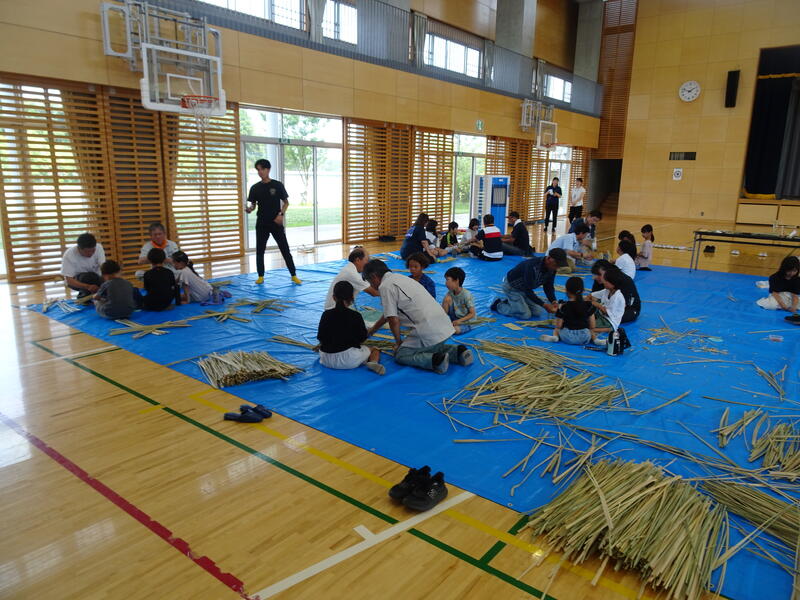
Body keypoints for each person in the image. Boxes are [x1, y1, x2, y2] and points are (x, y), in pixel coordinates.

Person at [362, 260, 473, 374]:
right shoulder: (401, 277)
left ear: (374, 277)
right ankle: (458, 352)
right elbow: (387, 314)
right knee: (431, 346)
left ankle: (436, 360)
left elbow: (392, 319)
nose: (372, 286)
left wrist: (399, 342)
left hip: (428, 330)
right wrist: (372, 330)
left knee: (401, 354)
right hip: (445, 324)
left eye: (370, 282)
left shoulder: (385, 286)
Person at [246, 158, 302, 286]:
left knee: (285, 249)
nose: (260, 172)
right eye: (258, 170)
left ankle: (293, 275)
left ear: (268, 169)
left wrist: (281, 214)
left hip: (276, 222)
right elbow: (253, 205)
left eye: (262, 169)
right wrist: (250, 209)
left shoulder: (277, 185)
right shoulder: (255, 188)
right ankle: (260, 276)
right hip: (262, 223)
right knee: (260, 250)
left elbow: (286, 203)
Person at [317, 280, 385, 376]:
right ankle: (373, 362)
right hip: (348, 360)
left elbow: (320, 337)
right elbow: (362, 338)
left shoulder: (326, 314)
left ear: (334, 297)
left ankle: (363, 360)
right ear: (352, 298)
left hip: (325, 359)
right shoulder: (355, 316)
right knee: (374, 349)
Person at [490, 248, 568, 319]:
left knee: (537, 312)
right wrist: (544, 305)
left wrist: (553, 301)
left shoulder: (552, 268)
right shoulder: (532, 267)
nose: (557, 268)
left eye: (558, 266)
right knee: (524, 315)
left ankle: (513, 302)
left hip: (524, 289)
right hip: (512, 287)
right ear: (548, 258)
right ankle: (498, 304)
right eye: (556, 264)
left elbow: (548, 286)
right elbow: (528, 291)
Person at [540, 276, 597, 345]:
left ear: (567, 290)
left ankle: (555, 337)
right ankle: (596, 340)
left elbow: (559, 325)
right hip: (584, 337)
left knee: (557, 329)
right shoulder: (589, 305)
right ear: (582, 291)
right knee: (591, 331)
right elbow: (592, 326)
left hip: (567, 337)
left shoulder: (563, 306)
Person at [61, 233, 106, 298]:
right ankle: (84, 296)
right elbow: (69, 281)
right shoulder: (69, 254)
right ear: (79, 248)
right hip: (77, 281)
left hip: (95, 279)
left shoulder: (99, 248)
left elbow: (103, 268)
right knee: (88, 277)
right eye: (87, 252)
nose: (90, 253)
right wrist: (87, 286)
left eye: (93, 251)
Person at [589, 267, 627, 342]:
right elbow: (592, 295)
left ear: (613, 283)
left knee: (588, 326)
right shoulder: (607, 290)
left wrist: (596, 304)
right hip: (602, 314)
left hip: (609, 321)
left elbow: (607, 312)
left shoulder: (617, 297)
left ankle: (608, 329)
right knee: (588, 308)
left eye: (606, 281)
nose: (603, 282)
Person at [441, 267, 475, 335]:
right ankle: (443, 321)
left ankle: (447, 325)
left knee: (455, 330)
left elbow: (472, 314)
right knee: (447, 299)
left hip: (465, 321)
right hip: (455, 318)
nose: (445, 283)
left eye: (447, 280)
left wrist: (459, 321)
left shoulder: (466, 295)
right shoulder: (450, 292)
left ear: (456, 280)